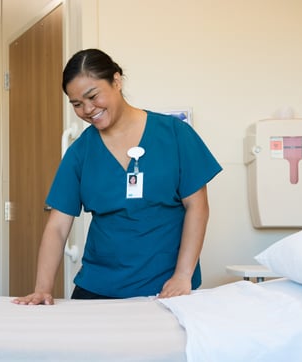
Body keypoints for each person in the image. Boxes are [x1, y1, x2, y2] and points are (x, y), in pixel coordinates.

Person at [13, 49, 222, 305]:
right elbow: (57, 227)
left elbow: (198, 207)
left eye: (93, 96)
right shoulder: (80, 152)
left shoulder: (175, 134)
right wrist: (42, 288)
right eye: (77, 104)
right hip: (97, 287)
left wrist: (182, 275)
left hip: (167, 287)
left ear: (116, 81)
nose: (88, 109)